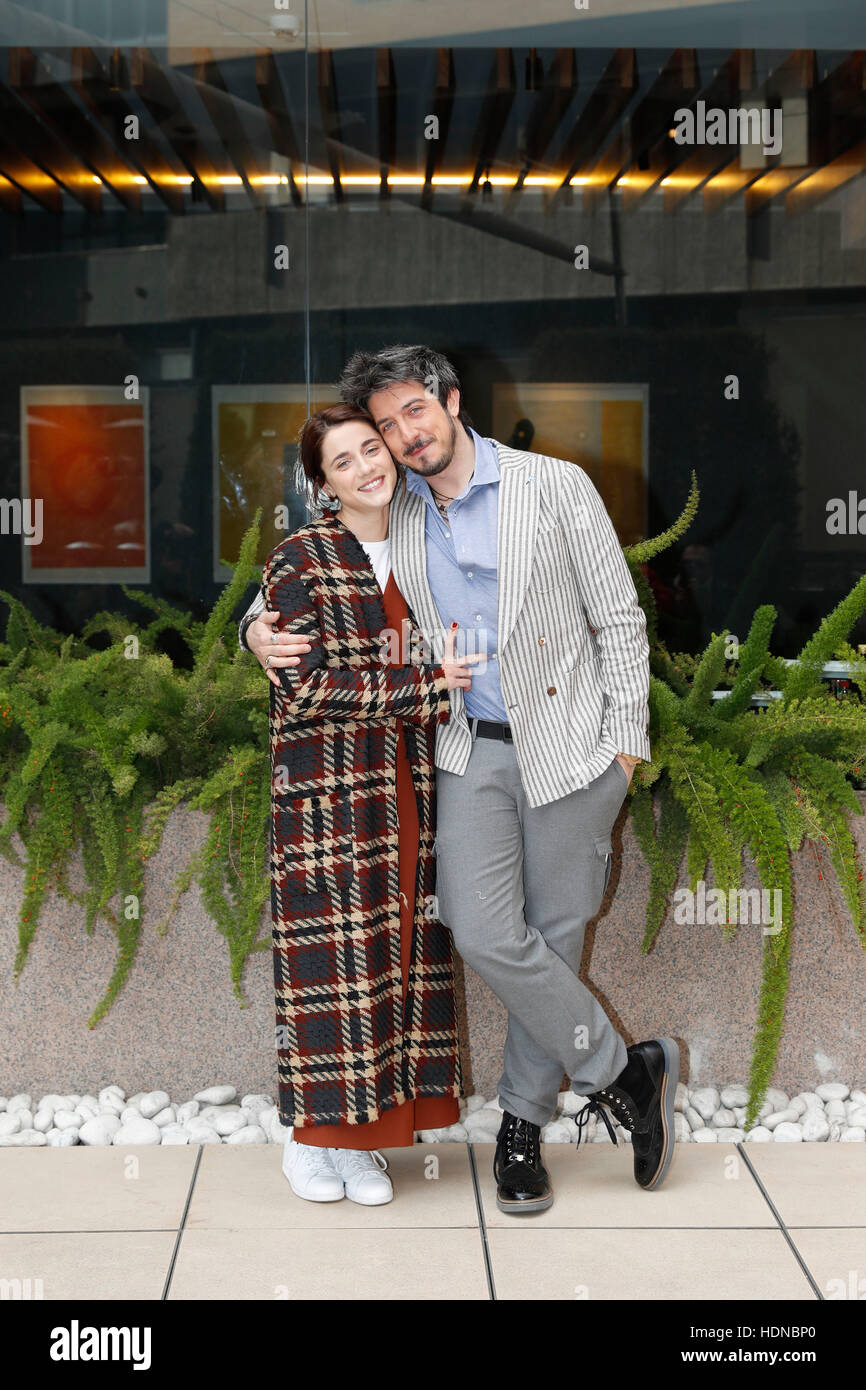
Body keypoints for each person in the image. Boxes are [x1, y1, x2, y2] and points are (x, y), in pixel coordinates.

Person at [242, 347, 681, 1215]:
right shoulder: (396, 505)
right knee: (483, 933)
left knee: (552, 938)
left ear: (449, 401)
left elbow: (619, 618)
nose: (402, 437)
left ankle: (520, 1132)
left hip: (572, 750)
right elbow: (327, 562)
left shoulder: (553, 486)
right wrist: (256, 628)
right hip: (464, 747)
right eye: (386, 426)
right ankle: (627, 1074)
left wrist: (624, 754)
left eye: (413, 413)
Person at [261, 402, 480, 1207]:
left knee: (395, 965)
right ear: (321, 483)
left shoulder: (429, 542)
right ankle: (310, 1141)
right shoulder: (302, 557)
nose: (365, 468)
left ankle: (366, 1142)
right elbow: (306, 682)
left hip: (413, 788)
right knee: (334, 970)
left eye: (369, 449)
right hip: (328, 797)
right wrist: (430, 687)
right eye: (342, 461)